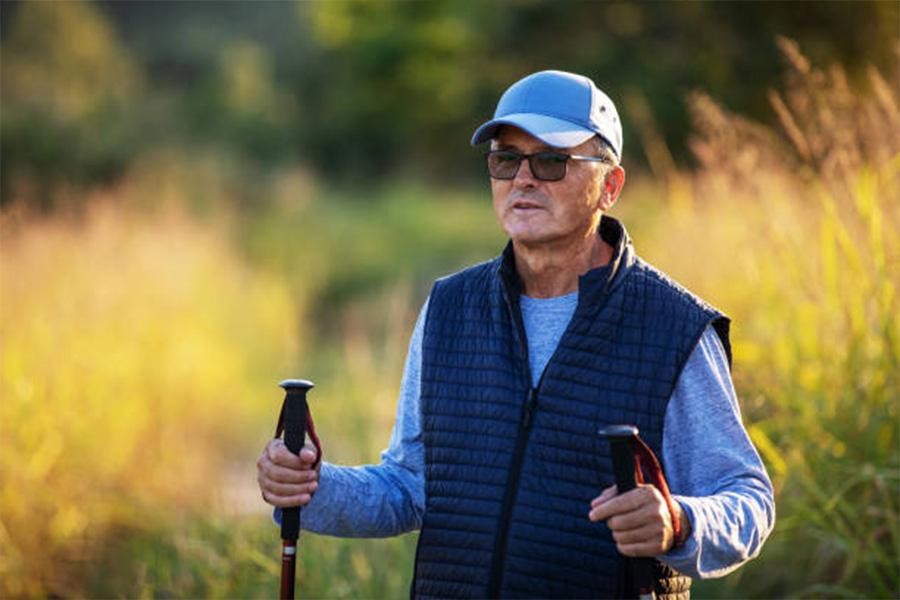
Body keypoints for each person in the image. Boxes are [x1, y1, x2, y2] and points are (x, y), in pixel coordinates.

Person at [257, 70, 774, 599]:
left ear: (610, 187)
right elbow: (412, 487)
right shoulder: (449, 308)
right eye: (506, 159)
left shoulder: (675, 327)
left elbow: (749, 501)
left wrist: (679, 520)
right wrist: (311, 489)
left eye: (551, 161)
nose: (523, 179)